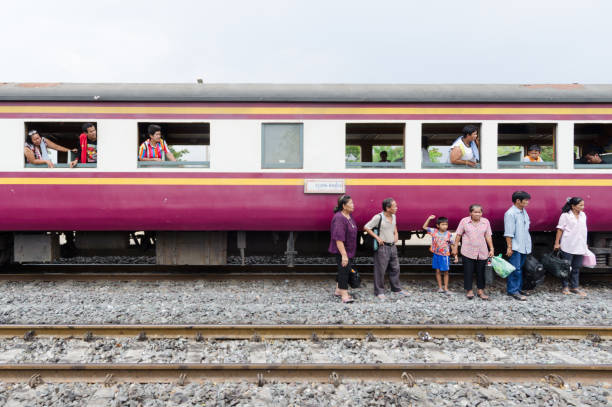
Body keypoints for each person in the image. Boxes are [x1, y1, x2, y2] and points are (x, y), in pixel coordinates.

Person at [364, 198, 407, 299]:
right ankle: (379, 291)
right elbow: (366, 227)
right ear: (388, 208)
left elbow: (394, 226)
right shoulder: (378, 217)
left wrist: (396, 234)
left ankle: (396, 289)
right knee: (380, 270)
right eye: (394, 206)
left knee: (395, 268)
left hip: (392, 246)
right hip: (382, 247)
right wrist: (377, 238)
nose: (396, 208)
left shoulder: (394, 216)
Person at [452, 204, 494, 300]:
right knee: (468, 271)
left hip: (482, 251)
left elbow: (488, 236)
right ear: (470, 213)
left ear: (481, 213)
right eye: (475, 212)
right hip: (467, 251)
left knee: (481, 272)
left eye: (479, 212)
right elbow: (458, 235)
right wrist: (455, 247)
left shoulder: (485, 222)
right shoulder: (464, 221)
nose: (477, 214)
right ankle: (469, 290)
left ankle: (480, 290)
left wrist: (491, 248)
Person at [554, 197, 588, 296]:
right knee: (566, 268)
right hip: (568, 245)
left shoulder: (583, 215)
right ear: (573, 206)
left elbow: (584, 230)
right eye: (580, 205)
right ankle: (565, 287)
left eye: (583, 205)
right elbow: (560, 230)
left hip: (580, 245)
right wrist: (557, 243)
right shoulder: (565, 216)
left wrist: (585, 242)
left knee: (576, 268)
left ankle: (574, 287)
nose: (583, 207)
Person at [329, 195, 358, 303]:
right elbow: (338, 239)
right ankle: (344, 296)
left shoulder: (349, 216)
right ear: (344, 206)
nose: (353, 205)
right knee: (344, 272)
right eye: (350, 203)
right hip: (342, 250)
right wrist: (344, 255)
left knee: (343, 270)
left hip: (349, 250)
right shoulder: (339, 218)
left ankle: (338, 291)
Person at [504, 191, 532, 301]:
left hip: (524, 246)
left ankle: (518, 289)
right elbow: (508, 233)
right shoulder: (510, 213)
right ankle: (512, 291)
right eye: (525, 200)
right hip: (516, 246)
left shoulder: (523, 211)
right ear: (518, 201)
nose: (527, 202)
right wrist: (509, 247)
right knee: (515, 270)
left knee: (519, 269)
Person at [423, 215, 453, 293]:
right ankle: (440, 288)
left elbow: (452, 244)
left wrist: (455, 255)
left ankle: (446, 288)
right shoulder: (434, 231)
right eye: (443, 224)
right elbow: (424, 227)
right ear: (438, 225)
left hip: (445, 255)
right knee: (438, 271)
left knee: (446, 271)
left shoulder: (449, 234)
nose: (445, 226)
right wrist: (429, 218)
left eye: (446, 224)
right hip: (436, 254)